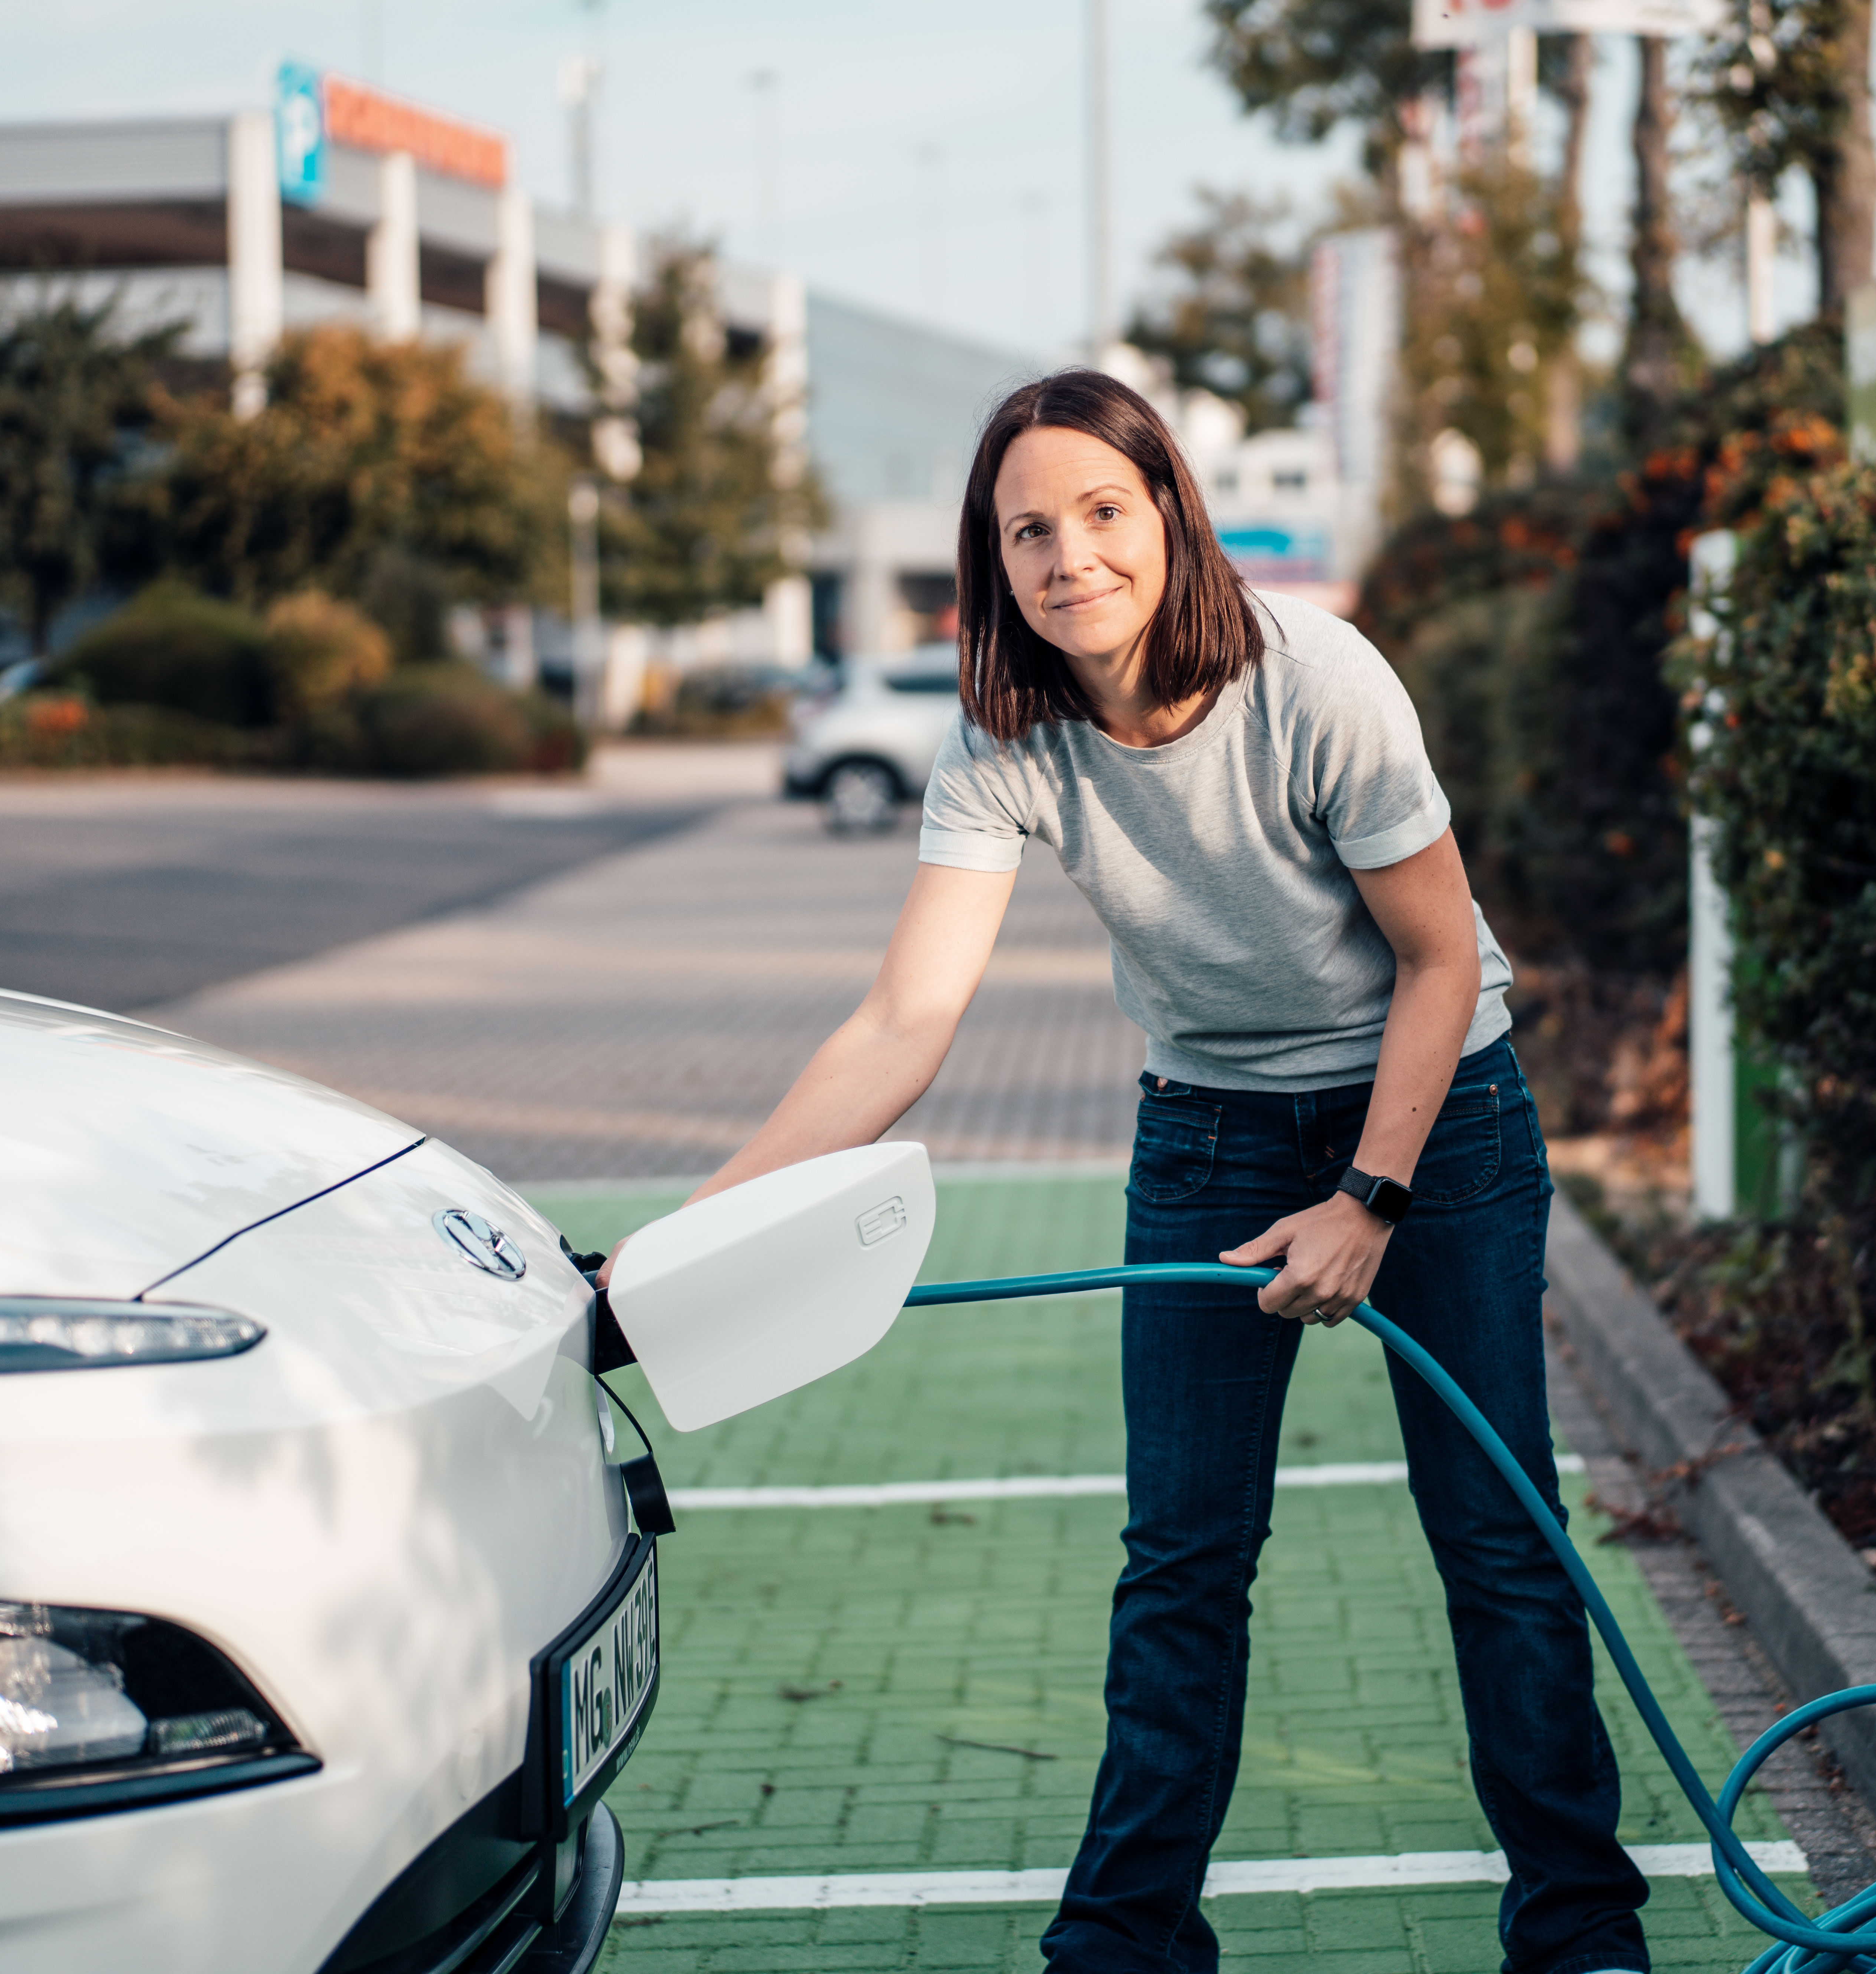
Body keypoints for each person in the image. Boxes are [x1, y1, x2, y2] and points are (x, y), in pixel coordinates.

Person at [634, 369, 1650, 1973]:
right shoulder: (1010, 733)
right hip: (1209, 1130)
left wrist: (1368, 1201)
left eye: (1101, 513)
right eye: (1026, 530)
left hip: (1435, 1122)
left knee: (1496, 1533)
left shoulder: (1314, 678)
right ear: (994, 564)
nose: (1068, 557)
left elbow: (1441, 962)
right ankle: (1122, 1944)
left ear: (1167, 514)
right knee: (1181, 1559)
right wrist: (684, 1238)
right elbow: (904, 1017)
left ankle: (1582, 1928)